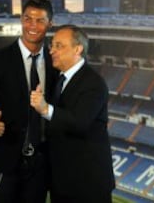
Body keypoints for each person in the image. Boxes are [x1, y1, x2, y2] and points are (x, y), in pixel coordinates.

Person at [0, 0, 58, 203]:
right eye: (28, 19)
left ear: (50, 24)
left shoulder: (54, 61)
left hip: (41, 161)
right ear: (21, 19)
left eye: (40, 20)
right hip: (5, 158)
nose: (32, 26)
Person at [31, 24, 115, 203]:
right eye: (52, 45)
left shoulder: (94, 83)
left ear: (78, 49)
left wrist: (45, 109)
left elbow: (79, 123)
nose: (52, 50)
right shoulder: (60, 80)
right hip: (62, 183)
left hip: (87, 186)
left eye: (59, 46)